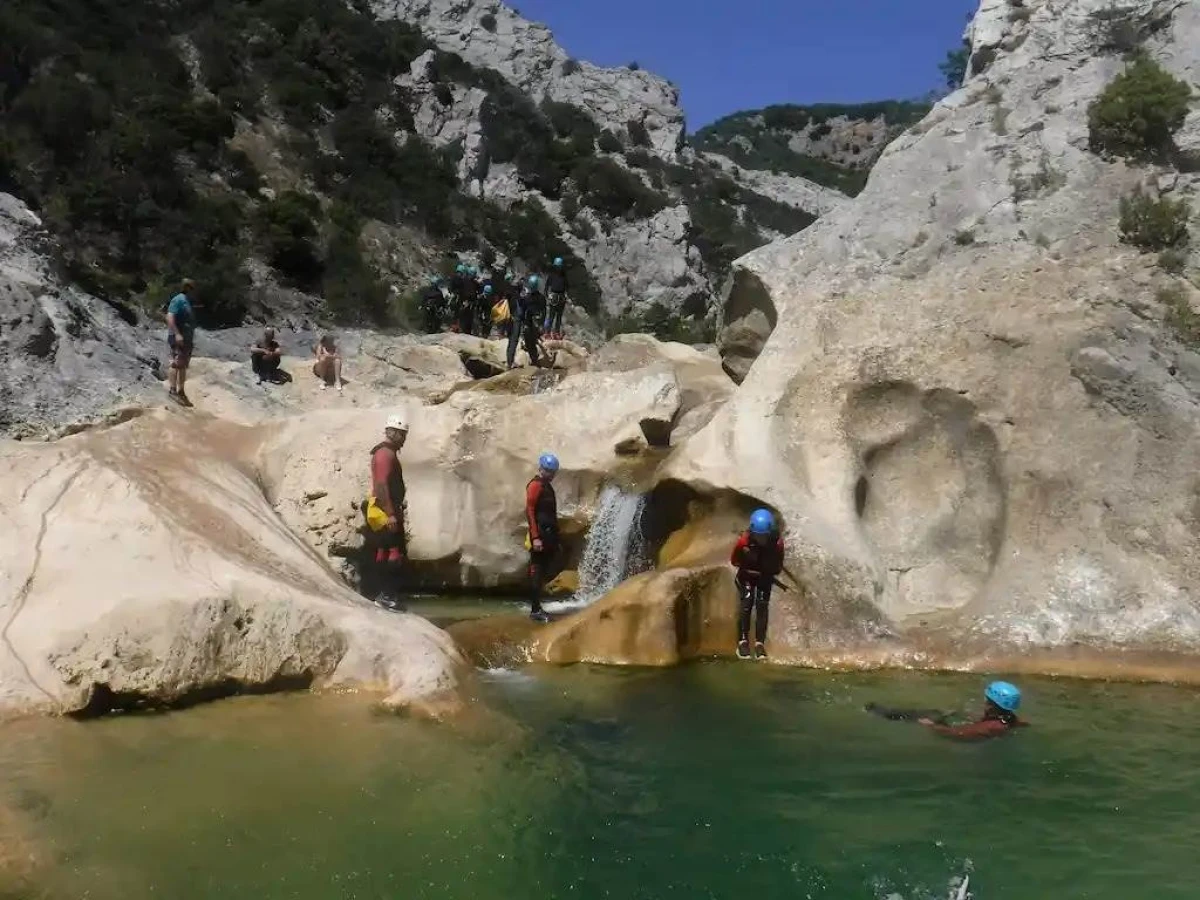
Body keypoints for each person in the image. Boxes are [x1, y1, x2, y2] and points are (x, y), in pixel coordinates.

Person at [366, 413, 409, 609]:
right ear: (394, 433)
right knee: (393, 552)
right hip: (385, 511)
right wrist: (391, 513)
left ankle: (380, 593)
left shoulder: (385, 452)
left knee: (383, 550)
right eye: (402, 434)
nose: (404, 438)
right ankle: (387, 595)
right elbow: (382, 485)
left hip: (383, 508)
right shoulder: (385, 454)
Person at [731, 508, 785, 660]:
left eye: (764, 536)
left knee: (762, 605)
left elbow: (778, 565)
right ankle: (742, 641)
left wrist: (768, 570)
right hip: (747, 575)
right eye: (758, 536)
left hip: (765, 576)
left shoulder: (777, 543)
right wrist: (750, 563)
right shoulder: (743, 542)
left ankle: (759, 643)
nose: (761, 539)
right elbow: (734, 560)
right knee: (747, 602)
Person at [917, 682, 1028, 740]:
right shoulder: (1011, 719)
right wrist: (961, 713)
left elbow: (954, 733)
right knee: (937, 713)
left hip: (969, 748)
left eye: (986, 699)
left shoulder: (987, 727)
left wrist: (932, 726)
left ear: (990, 706)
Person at [525, 453, 560, 623]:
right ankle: (535, 610)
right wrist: (535, 537)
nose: (550, 474)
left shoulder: (547, 486)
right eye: (548, 471)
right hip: (539, 534)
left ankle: (537, 606)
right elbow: (530, 511)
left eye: (553, 472)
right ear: (541, 469)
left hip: (548, 534)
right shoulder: (535, 485)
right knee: (536, 570)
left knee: (543, 570)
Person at [166, 278, 198, 407]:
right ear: (187, 288)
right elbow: (169, 317)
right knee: (176, 363)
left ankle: (181, 390)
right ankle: (172, 390)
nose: (194, 291)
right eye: (192, 288)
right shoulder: (178, 299)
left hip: (187, 338)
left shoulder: (187, 301)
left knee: (183, 365)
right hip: (178, 337)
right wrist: (177, 333)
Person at [507, 275, 546, 370]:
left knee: (527, 343)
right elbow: (544, 311)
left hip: (528, 324)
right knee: (532, 343)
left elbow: (522, 310)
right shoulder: (542, 298)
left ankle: (510, 362)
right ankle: (534, 360)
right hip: (536, 325)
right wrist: (542, 323)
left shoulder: (526, 298)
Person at [544, 256, 569, 340]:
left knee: (558, 317)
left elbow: (567, 286)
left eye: (559, 266)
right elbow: (547, 285)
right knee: (551, 316)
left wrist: (566, 295)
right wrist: (547, 295)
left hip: (561, 297)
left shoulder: (563, 275)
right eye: (557, 267)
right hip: (554, 296)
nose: (558, 268)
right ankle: (547, 332)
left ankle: (556, 332)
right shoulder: (552, 275)